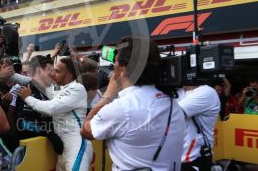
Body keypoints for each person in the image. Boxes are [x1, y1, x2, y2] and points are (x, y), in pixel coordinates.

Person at [81, 36, 185, 170]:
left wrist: (107, 95)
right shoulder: (173, 104)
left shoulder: (121, 109)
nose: (114, 67)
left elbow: (85, 131)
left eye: (116, 62)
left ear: (123, 67)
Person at [18, 57, 93, 171]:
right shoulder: (58, 88)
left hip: (76, 145)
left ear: (68, 75)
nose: (53, 74)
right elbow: (37, 82)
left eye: (57, 71)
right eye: (52, 70)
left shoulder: (77, 88)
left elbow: (50, 108)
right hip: (62, 149)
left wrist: (27, 98)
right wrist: (9, 75)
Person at [177, 84, 220, 170]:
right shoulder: (178, 91)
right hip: (172, 158)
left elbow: (170, 114)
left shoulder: (207, 91)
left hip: (193, 158)